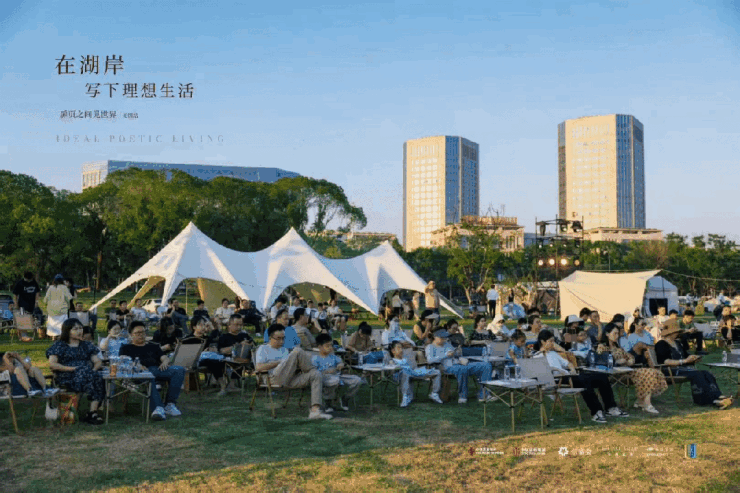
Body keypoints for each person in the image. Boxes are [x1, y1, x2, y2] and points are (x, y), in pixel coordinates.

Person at [537, 330, 629, 423]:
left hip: (569, 376)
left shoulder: (553, 354)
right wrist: (561, 371)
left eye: (553, 341)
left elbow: (568, 363)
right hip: (558, 379)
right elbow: (544, 373)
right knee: (584, 380)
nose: (553, 344)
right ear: (543, 342)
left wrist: (572, 369)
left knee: (602, 376)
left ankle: (611, 408)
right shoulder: (537, 356)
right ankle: (597, 411)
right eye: (551, 341)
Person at [255, 324, 332, 419]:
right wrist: (279, 362)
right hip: (272, 378)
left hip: (288, 378)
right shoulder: (263, 349)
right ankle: (317, 369)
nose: (281, 341)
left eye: (283, 338)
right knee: (297, 350)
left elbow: (289, 367)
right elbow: (259, 367)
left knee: (315, 374)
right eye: (278, 338)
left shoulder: (284, 350)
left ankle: (315, 411)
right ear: (270, 337)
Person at [655, 320, 732, 408]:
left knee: (706, 373)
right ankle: (709, 400)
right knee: (697, 374)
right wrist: (683, 361)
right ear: (670, 333)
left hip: (682, 369)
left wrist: (693, 358)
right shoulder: (661, 344)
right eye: (676, 332)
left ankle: (718, 396)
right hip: (670, 370)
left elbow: (686, 356)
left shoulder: (677, 343)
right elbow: (665, 361)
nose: (677, 333)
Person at [120, 321, 186, 420]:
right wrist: (136, 365)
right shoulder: (126, 348)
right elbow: (122, 361)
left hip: (157, 370)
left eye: (143, 332)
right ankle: (158, 408)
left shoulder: (153, 346)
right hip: (139, 373)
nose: (141, 335)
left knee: (179, 370)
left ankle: (170, 404)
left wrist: (165, 361)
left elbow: (164, 357)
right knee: (149, 375)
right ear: (131, 334)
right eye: (138, 333)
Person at [46, 318, 105, 424]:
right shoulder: (59, 345)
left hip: (85, 374)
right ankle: (84, 412)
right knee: (86, 374)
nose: (79, 331)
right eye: (75, 329)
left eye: (80, 328)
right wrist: (74, 369)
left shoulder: (86, 345)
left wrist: (92, 370)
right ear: (67, 331)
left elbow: (97, 361)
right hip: (66, 375)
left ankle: (92, 413)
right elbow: (53, 364)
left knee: (97, 377)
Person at [597, 324, 667, 414]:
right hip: (614, 373)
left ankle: (641, 401)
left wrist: (630, 361)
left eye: (618, 333)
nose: (617, 336)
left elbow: (630, 357)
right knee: (648, 373)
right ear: (607, 334)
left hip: (626, 371)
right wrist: (617, 362)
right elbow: (600, 361)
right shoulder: (602, 347)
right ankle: (646, 404)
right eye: (615, 333)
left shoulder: (617, 347)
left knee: (654, 372)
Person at [425, 329, 494, 404]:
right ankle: (462, 396)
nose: (444, 340)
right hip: (446, 367)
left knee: (486, 365)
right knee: (462, 369)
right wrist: (445, 355)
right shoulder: (430, 347)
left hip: (459, 363)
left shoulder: (447, 344)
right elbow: (430, 360)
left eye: (445, 338)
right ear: (435, 337)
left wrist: (458, 352)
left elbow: (455, 354)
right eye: (442, 338)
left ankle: (484, 394)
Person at [312, 333, 363, 412]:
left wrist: (340, 365)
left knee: (357, 380)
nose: (330, 348)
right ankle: (328, 402)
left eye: (331, 345)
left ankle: (345, 398)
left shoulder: (333, 356)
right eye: (327, 346)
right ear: (320, 347)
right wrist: (326, 371)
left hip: (338, 376)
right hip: (324, 378)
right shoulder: (315, 358)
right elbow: (314, 372)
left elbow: (340, 362)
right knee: (334, 381)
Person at [388, 340, 443, 408]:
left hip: (413, 373)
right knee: (405, 372)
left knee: (437, 372)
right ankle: (405, 397)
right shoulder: (392, 361)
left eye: (402, 348)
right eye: (399, 348)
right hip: (401, 375)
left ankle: (434, 393)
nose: (401, 350)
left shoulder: (405, 359)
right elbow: (392, 372)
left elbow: (413, 367)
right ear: (393, 351)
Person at [44, 274, 74, 339]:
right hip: (62, 310)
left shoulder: (50, 288)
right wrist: (69, 306)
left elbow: (45, 299)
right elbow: (69, 298)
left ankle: (53, 336)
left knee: (53, 324)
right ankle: (60, 336)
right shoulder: (64, 288)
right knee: (62, 325)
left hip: (52, 310)